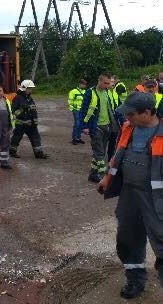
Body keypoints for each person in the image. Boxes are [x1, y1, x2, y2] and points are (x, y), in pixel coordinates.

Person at [98, 92, 163, 299]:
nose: (128, 117)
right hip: (129, 195)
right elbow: (117, 156)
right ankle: (135, 280)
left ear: (147, 112)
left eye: (132, 114)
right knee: (127, 239)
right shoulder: (128, 128)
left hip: (156, 200)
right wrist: (107, 178)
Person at [81, 72, 119, 183]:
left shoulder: (107, 92)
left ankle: (92, 175)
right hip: (95, 127)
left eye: (109, 83)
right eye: (105, 83)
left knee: (99, 152)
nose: (107, 85)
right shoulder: (90, 92)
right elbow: (83, 110)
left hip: (107, 126)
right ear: (99, 81)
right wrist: (85, 126)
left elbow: (110, 108)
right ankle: (103, 176)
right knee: (100, 152)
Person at [9, 79, 49, 159]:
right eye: (29, 88)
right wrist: (22, 109)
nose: (31, 90)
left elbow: (33, 110)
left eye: (31, 88)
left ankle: (38, 153)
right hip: (21, 124)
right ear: (24, 88)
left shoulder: (29, 98)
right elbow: (13, 112)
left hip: (31, 124)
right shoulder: (18, 98)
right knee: (16, 138)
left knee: (36, 138)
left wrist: (35, 120)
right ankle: (12, 152)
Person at [68, 79, 88, 145]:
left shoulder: (85, 92)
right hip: (76, 110)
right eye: (83, 84)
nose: (84, 86)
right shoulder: (73, 91)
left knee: (81, 124)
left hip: (82, 110)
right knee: (77, 124)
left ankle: (78, 138)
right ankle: (74, 138)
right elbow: (70, 101)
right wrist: (72, 108)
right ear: (80, 84)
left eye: (85, 85)